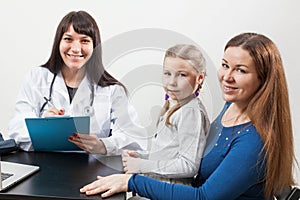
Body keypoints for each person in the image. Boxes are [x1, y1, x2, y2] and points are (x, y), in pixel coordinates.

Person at [79, 32, 296, 199]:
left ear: (263, 79)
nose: (227, 77)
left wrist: (132, 181)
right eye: (225, 65)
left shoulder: (253, 141)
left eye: (240, 70)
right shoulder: (230, 108)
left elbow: (204, 196)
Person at [8, 10, 147, 155]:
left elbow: (135, 137)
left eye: (84, 40)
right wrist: (45, 126)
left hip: (90, 169)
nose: (75, 49)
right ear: (58, 42)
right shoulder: (36, 78)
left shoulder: (111, 89)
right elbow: (16, 130)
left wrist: (103, 145)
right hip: (43, 166)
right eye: (68, 39)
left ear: (94, 46)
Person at [122, 44, 210, 185]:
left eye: (181, 75)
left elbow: (189, 165)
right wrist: (143, 157)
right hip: (159, 185)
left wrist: (141, 165)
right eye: (167, 73)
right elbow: (169, 153)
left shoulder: (190, 112)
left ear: (199, 78)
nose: (172, 82)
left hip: (171, 191)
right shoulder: (176, 104)